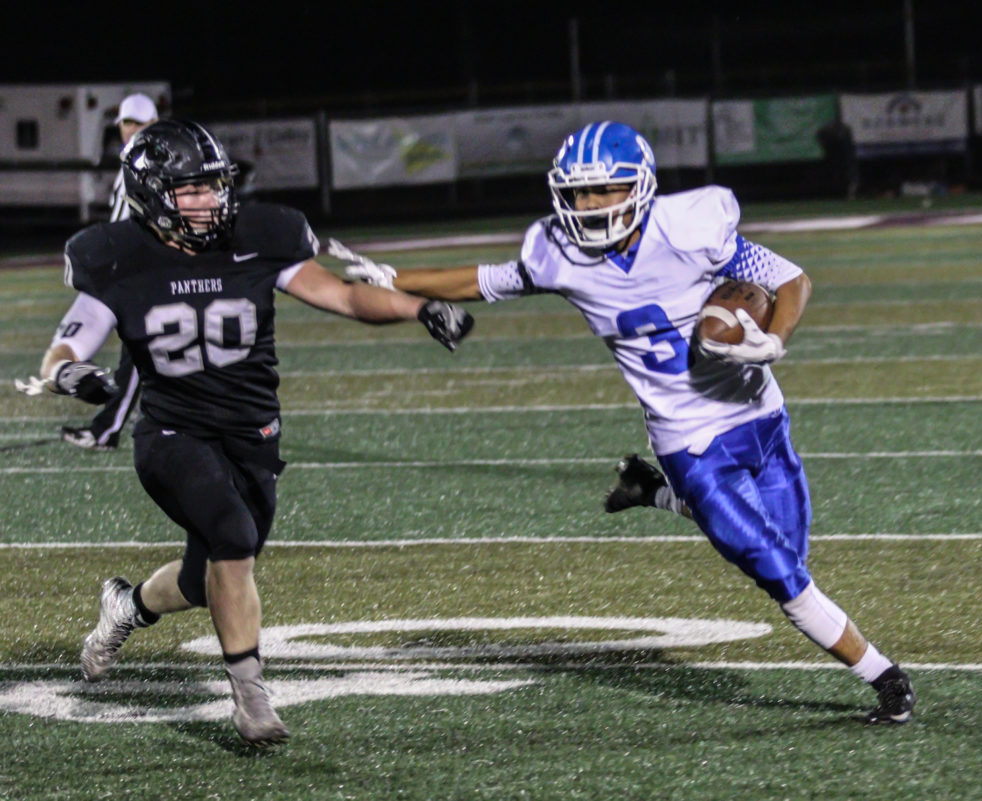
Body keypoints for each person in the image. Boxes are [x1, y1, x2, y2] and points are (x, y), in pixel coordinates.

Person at [333, 120, 916, 724]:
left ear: (639, 187)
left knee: (792, 557)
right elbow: (480, 280)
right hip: (688, 439)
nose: (587, 207)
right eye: (578, 194)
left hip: (759, 412)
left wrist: (773, 339)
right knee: (778, 573)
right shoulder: (557, 254)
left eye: (602, 191)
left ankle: (653, 493)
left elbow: (791, 279)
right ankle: (886, 678)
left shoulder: (692, 228)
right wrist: (393, 277)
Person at [20, 119, 473, 746]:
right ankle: (251, 695)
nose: (210, 201)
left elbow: (343, 297)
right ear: (152, 194)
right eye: (191, 191)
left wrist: (419, 307)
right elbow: (63, 348)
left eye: (213, 187)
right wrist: (71, 376)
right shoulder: (116, 255)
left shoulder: (260, 237)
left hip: (254, 434)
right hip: (173, 434)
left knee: (210, 573)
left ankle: (128, 606)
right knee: (232, 539)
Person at [60, 93, 160, 452]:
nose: (132, 130)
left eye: (140, 124)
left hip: (145, 268)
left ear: (153, 124)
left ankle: (107, 430)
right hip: (135, 266)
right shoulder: (132, 160)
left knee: (136, 350)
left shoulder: (151, 162)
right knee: (144, 351)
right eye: (127, 123)